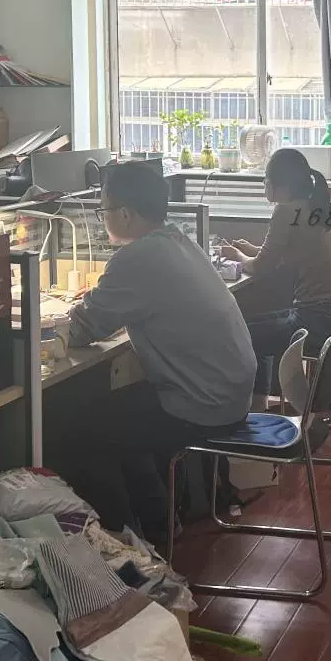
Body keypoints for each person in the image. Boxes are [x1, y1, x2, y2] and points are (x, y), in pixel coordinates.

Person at [66, 160, 256, 547]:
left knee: (81, 433)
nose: (103, 220)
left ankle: (131, 543)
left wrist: (67, 316)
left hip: (202, 405)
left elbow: (85, 328)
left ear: (125, 213)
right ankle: (159, 521)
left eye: (103, 211)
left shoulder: (138, 257)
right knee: (119, 415)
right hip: (229, 394)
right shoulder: (178, 241)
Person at [219, 147, 331, 394]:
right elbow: (286, 254)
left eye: (265, 180)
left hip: (316, 320)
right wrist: (250, 249)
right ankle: (261, 403)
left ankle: (251, 405)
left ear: (276, 184)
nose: (264, 186)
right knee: (250, 327)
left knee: (241, 335)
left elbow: (260, 267)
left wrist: (237, 255)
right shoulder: (315, 206)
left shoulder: (285, 210)